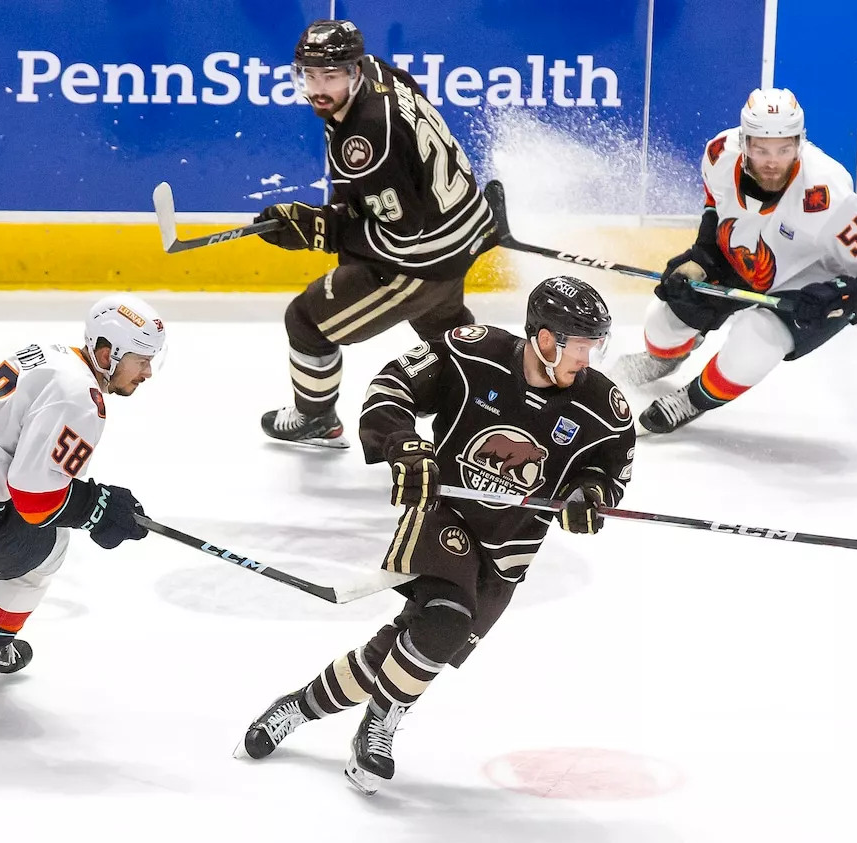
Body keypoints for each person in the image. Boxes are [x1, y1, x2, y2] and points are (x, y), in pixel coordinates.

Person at [238, 276, 636, 795]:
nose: (587, 356)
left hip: (507, 553)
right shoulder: (475, 353)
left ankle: (297, 706)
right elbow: (390, 387)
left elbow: (609, 474)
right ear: (543, 337)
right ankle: (375, 732)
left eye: (593, 345)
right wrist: (402, 444)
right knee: (443, 624)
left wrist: (591, 498)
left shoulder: (603, 408)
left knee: (405, 649)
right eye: (578, 344)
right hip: (443, 515)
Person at [253, 19, 498, 449]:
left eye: (329, 76)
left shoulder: (364, 138)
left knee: (306, 320)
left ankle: (316, 419)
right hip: (461, 227)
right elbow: (412, 171)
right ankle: (484, 409)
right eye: (309, 75)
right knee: (446, 337)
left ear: (353, 71)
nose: (318, 88)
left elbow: (401, 236)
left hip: (422, 259)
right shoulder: (382, 74)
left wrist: (324, 230)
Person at [612, 88, 857, 434]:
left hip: (807, 283)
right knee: (662, 325)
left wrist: (838, 297)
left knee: (753, 343)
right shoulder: (719, 154)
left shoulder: (825, 194)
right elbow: (716, 199)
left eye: (784, 149)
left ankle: (692, 400)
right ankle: (661, 361)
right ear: (744, 143)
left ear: (800, 143)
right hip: (745, 254)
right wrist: (703, 255)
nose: (773, 161)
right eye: (761, 149)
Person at [0, 294, 164, 678]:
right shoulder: (80, 399)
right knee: (51, 543)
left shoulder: (33, 350)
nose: (148, 372)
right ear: (106, 354)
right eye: (143, 360)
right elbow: (36, 501)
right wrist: (98, 508)